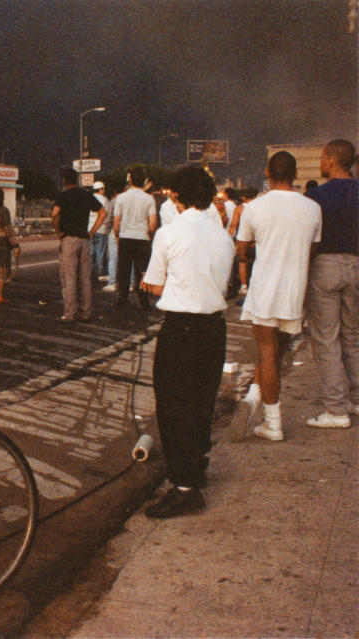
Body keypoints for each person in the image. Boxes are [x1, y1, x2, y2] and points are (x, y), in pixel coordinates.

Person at [140, 165, 235, 518]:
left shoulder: (169, 234)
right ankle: (197, 469)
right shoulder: (222, 236)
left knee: (173, 407)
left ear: (175, 195)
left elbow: (154, 285)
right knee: (201, 403)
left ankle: (184, 487)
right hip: (214, 328)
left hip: (180, 329)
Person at [232, 152, 321, 442]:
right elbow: (312, 249)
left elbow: (242, 248)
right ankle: (256, 396)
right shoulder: (312, 208)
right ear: (295, 174)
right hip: (295, 289)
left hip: (266, 289)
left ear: (268, 172)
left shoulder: (254, 208)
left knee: (267, 354)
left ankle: (273, 424)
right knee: (277, 351)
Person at [304, 139, 359, 429]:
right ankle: (357, 399)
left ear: (331, 160)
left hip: (326, 266)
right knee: (352, 335)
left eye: (323, 157)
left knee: (326, 339)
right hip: (356, 266)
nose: (321, 163)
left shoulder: (316, 196)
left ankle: (337, 410)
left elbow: (309, 239)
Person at [51, 168, 107, 321]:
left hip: (68, 239)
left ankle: (70, 313)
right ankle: (85, 312)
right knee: (84, 278)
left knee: (69, 278)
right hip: (84, 239)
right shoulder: (86, 195)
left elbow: (55, 214)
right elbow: (103, 212)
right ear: (76, 180)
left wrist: (58, 232)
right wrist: (92, 231)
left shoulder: (62, 196)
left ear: (64, 181)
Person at [113, 166, 157, 309]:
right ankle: (143, 300)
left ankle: (122, 298)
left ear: (130, 179)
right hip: (142, 238)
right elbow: (153, 222)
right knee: (142, 271)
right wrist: (149, 235)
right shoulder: (149, 199)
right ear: (144, 181)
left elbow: (116, 221)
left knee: (124, 270)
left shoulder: (121, 197)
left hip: (126, 237)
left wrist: (117, 235)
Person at [90, 181, 110, 280]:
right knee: (100, 252)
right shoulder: (105, 200)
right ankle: (101, 273)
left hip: (89, 229)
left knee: (90, 252)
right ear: (101, 189)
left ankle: (89, 271)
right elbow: (107, 215)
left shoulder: (89, 198)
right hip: (101, 229)